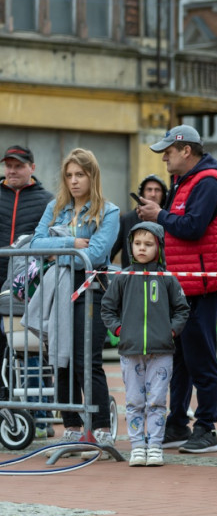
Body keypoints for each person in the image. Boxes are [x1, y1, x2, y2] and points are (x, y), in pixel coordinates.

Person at [137, 125, 217, 454]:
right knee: (179, 359)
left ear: (186, 151)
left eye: (169, 150)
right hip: (184, 285)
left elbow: (193, 228)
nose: (164, 156)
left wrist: (159, 215)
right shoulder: (187, 182)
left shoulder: (208, 181)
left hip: (202, 286)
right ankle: (177, 423)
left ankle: (207, 427)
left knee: (200, 357)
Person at [32, 148, 119, 454]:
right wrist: (71, 242)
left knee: (87, 359)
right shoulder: (56, 207)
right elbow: (34, 243)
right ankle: (71, 427)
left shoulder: (109, 212)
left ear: (91, 176)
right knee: (62, 358)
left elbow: (94, 255)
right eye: (68, 175)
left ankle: (101, 429)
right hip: (59, 292)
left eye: (79, 174)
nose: (73, 181)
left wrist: (59, 249)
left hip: (92, 291)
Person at [100, 221, 189, 467]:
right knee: (134, 402)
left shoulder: (167, 278)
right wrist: (119, 330)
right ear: (130, 246)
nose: (142, 248)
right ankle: (138, 447)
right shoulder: (123, 277)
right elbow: (107, 308)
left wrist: (171, 331)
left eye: (148, 244)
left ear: (159, 247)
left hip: (161, 352)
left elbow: (182, 309)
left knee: (157, 402)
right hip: (130, 351)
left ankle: (155, 447)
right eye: (137, 243)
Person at [1, 145, 54, 381]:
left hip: (28, 287)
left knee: (31, 347)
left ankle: (38, 409)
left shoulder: (47, 201)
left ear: (32, 168)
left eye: (18, 166)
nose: (12, 171)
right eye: (8, 166)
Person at [111, 175, 168, 266]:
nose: (153, 194)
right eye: (149, 189)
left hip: (160, 277)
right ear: (142, 193)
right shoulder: (126, 219)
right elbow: (111, 251)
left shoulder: (168, 220)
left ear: (164, 195)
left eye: (157, 190)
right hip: (131, 277)